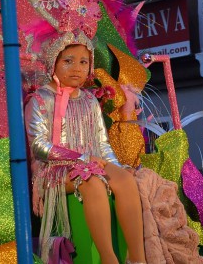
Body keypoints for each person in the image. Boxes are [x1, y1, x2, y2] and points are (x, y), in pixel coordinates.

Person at [25, 31, 146, 264]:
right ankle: (108, 258)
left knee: (125, 179)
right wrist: (80, 158)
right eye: (68, 61)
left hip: (91, 162)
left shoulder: (89, 100)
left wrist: (117, 166)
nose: (77, 68)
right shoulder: (40, 99)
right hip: (54, 170)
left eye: (83, 62)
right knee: (91, 182)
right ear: (54, 63)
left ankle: (137, 258)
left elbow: (102, 143)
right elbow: (39, 145)